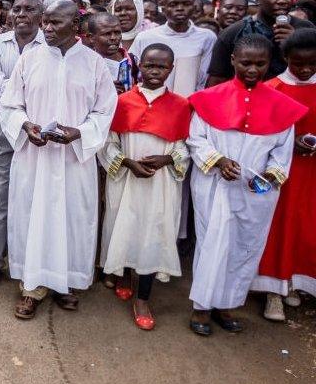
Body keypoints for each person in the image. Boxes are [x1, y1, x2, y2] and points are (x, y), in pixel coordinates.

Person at [0, 0, 117, 319]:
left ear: (75, 27)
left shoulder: (94, 64)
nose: (46, 28)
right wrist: (25, 125)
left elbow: (104, 111)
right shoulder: (29, 58)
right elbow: (9, 105)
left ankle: (66, 282)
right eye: (45, 22)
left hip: (74, 160)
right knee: (32, 218)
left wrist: (80, 133)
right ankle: (32, 286)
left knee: (73, 219)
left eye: (55, 23)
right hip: (35, 159)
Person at [186, 34, 307, 336]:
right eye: (246, 63)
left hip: (256, 191)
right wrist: (218, 160)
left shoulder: (282, 106)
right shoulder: (210, 98)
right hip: (215, 184)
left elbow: (282, 151)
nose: (252, 70)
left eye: (260, 64)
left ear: (269, 64)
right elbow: (196, 138)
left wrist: (270, 176)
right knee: (212, 243)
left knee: (244, 247)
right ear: (232, 61)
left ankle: (227, 304)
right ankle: (202, 305)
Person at [99, 44, 191, 330]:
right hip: (126, 179)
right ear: (140, 66)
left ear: (171, 69)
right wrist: (126, 162)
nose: (154, 71)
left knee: (153, 233)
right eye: (149, 65)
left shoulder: (180, 105)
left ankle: (143, 298)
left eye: (161, 67)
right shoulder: (123, 102)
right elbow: (108, 143)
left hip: (160, 184)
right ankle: (125, 274)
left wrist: (167, 158)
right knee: (125, 226)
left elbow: (186, 147)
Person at [0, 0, 45, 287]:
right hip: (2, 128)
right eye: (17, 9)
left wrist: (16, 87)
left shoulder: (49, 46)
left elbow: (48, 90)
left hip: (38, 130)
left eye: (29, 9)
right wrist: (28, 86)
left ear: (40, 16)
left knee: (34, 196)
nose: (22, 14)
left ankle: (28, 260)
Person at [252, 28, 316, 320]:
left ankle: (296, 283)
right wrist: (291, 146)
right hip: (280, 170)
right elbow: (258, 134)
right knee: (277, 227)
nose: (304, 70)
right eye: (297, 63)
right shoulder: (272, 88)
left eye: (311, 64)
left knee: (306, 229)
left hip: (311, 173)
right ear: (285, 59)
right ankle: (272, 291)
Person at [207, 0, 316, 86]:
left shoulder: (307, 30)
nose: (282, 1)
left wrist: (296, 44)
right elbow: (217, 81)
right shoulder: (232, 33)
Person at [130, 0, 216, 97]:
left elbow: (208, 78)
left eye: (186, 4)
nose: (180, 8)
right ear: (163, 8)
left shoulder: (207, 38)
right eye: (173, 4)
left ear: (194, 7)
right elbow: (132, 74)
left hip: (193, 105)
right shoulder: (145, 37)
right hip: (151, 103)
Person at [85, 12, 137, 93]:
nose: (113, 38)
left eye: (117, 32)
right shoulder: (85, 64)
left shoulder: (133, 60)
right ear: (91, 37)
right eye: (107, 34)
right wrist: (103, 91)